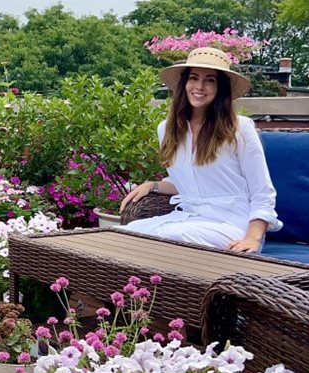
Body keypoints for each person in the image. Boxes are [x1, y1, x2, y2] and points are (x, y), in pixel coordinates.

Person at [119, 47, 281, 253]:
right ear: (184, 83)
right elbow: (192, 183)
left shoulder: (239, 129)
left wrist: (253, 238)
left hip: (231, 225)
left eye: (210, 80)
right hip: (188, 219)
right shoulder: (166, 129)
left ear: (220, 87)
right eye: (194, 78)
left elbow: (262, 192)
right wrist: (154, 185)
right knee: (125, 233)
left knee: (171, 238)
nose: (200, 86)